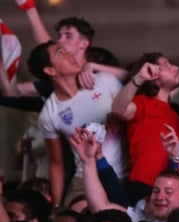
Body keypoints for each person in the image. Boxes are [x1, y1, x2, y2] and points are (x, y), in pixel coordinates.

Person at [111, 15, 179, 203]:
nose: (174, 68)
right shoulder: (142, 103)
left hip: (170, 189)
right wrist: (139, 78)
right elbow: (118, 109)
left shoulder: (169, 107)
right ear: (152, 75)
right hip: (145, 187)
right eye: (167, 66)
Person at [28, 39, 127, 206]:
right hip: (84, 177)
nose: (70, 54)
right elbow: (56, 163)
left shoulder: (104, 80)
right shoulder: (49, 113)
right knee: (70, 218)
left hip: (123, 174)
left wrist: (118, 115)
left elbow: (134, 114)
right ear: (50, 70)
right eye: (61, 53)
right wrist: (56, 205)